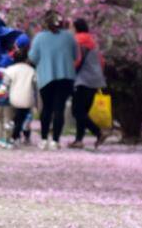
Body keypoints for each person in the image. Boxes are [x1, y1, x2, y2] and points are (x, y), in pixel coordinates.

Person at [29, 11, 79, 150]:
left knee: (46, 108)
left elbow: (32, 57)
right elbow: (76, 56)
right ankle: (55, 140)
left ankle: (44, 139)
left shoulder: (39, 38)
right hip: (66, 77)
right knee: (59, 108)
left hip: (46, 77)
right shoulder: (69, 37)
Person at [69, 18, 107, 148]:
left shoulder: (78, 41)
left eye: (71, 27)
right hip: (95, 80)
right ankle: (78, 140)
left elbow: (77, 61)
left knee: (76, 111)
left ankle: (98, 132)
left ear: (76, 28)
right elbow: (102, 61)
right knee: (83, 111)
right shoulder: (92, 41)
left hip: (82, 80)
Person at [4, 39, 36, 146]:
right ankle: (15, 135)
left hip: (14, 98)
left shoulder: (11, 69)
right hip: (27, 98)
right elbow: (36, 82)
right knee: (21, 118)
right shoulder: (31, 70)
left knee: (19, 116)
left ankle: (13, 128)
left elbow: (5, 83)